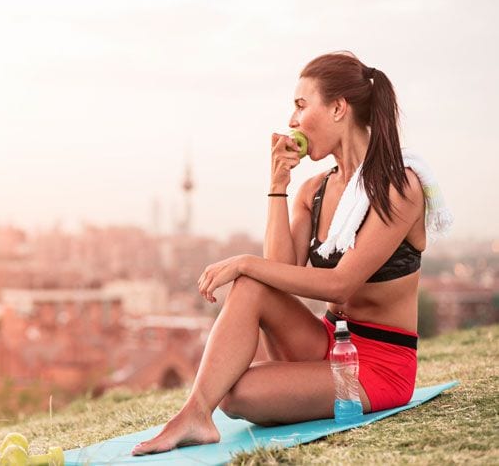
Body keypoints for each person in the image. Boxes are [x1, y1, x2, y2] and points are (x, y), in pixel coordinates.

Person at [131, 51, 435, 456]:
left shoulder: (399, 188)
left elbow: (341, 284)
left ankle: (201, 412)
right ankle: (194, 414)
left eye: (301, 105)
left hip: (379, 368)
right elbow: (277, 276)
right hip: (327, 341)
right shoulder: (315, 190)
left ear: (339, 109)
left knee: (237, 395)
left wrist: (243, 261)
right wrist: (278, 186)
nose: (292, 121)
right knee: (249, 293)